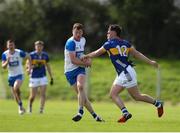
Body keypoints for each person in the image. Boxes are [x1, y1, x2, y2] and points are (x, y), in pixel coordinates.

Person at [82, 24, 164, 123]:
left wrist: (86, 56)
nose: (107, 33)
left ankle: (157, 104)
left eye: (109, 32)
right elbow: (137, 54)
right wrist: (150, 62)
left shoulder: (109, 44)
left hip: (126, 73)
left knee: (136, 96)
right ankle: (126, 113)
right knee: (113, 94)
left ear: (114, 32)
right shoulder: (126, 43)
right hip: (124, 72)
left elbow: (96, 53)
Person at [64, 23, 103, 122]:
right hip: (69, 71)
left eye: (80, 32)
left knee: (80, 87)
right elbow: (73, 60)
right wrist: (86, 63)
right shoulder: (70, 42)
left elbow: (80, 54)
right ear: (72, 31)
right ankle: (95, 116)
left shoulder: (83, 40)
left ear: (82, 32)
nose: (78, 34)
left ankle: (80, 111)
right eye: (76, 32)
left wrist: (87, 58)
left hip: (79, 68)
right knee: (83, 97)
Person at [1, 39, 31, 115]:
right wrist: (7, 61)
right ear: (7, 46)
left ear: (14, 45)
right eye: (9, 45)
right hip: (11, 76)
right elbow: (3, 67)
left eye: (12, 45)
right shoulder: (5, 54)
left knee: (16, 87)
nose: (11, 46)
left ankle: (20, 104)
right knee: (15, 95)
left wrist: (29, 68)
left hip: (19, 74)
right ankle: (20, 107)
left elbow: (29, 57)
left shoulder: (19, 52)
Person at [27, 40, 53, 114]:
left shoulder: (45, 55)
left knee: (43, 94)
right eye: (37, 46)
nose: (39, 47)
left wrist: (51, 76)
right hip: (34, 77)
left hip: (43, 77)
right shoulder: (31, 55)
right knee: (32, 96)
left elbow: (48, 66)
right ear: (35, 47)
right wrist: (31, 67)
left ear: (42, 47)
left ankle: (41, 109)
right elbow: (27, 66)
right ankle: (30, 107)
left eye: (40, 46)